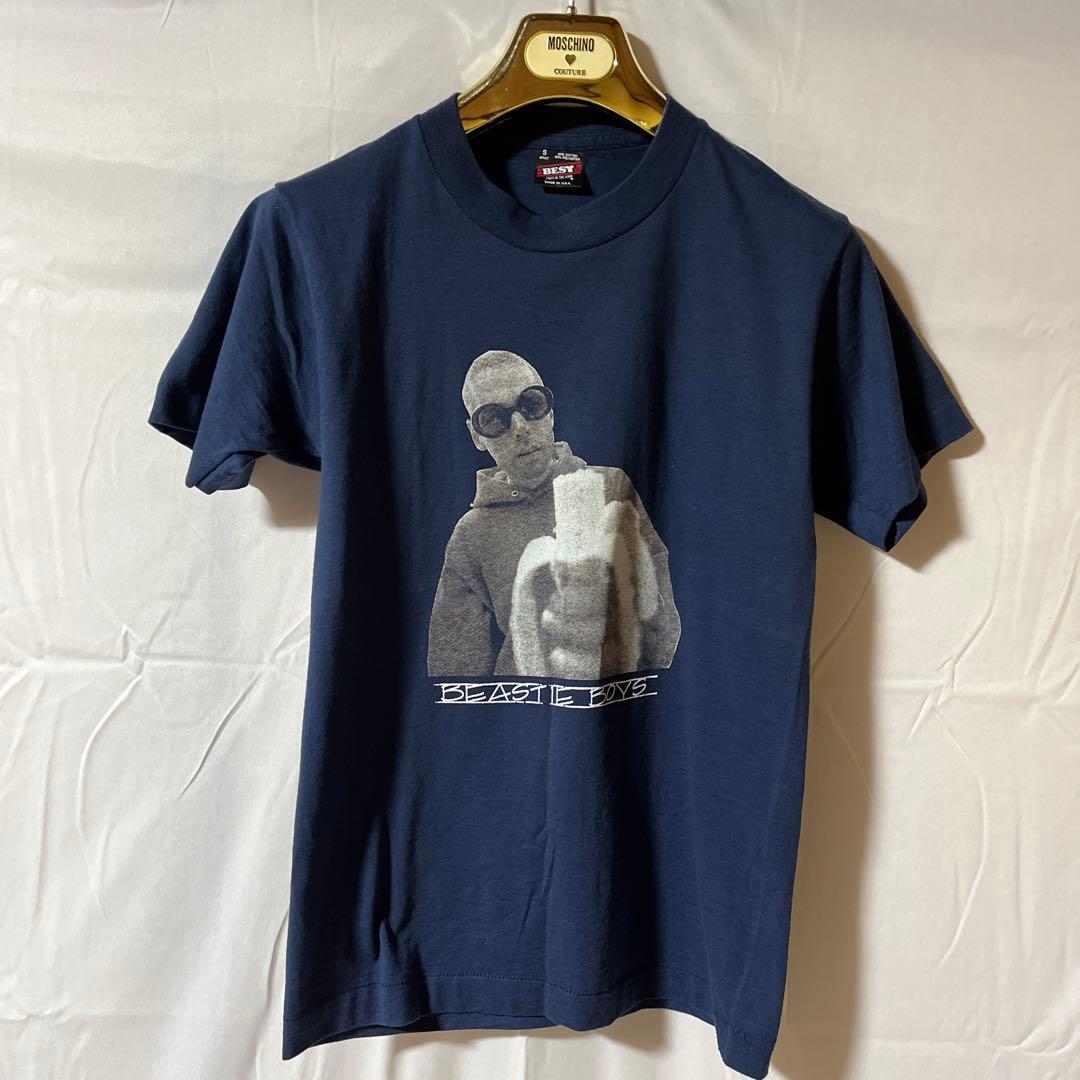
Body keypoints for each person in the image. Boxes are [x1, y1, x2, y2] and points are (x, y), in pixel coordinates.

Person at [427, 349, 681, 679]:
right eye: (493, 419)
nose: (520, 428)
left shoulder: (611, 487)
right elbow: (455, 677)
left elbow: (666, 634)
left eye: (531, 405)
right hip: (524, 704)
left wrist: (638, 593)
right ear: (477, 436)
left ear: (550, 413)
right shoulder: (471, 534)